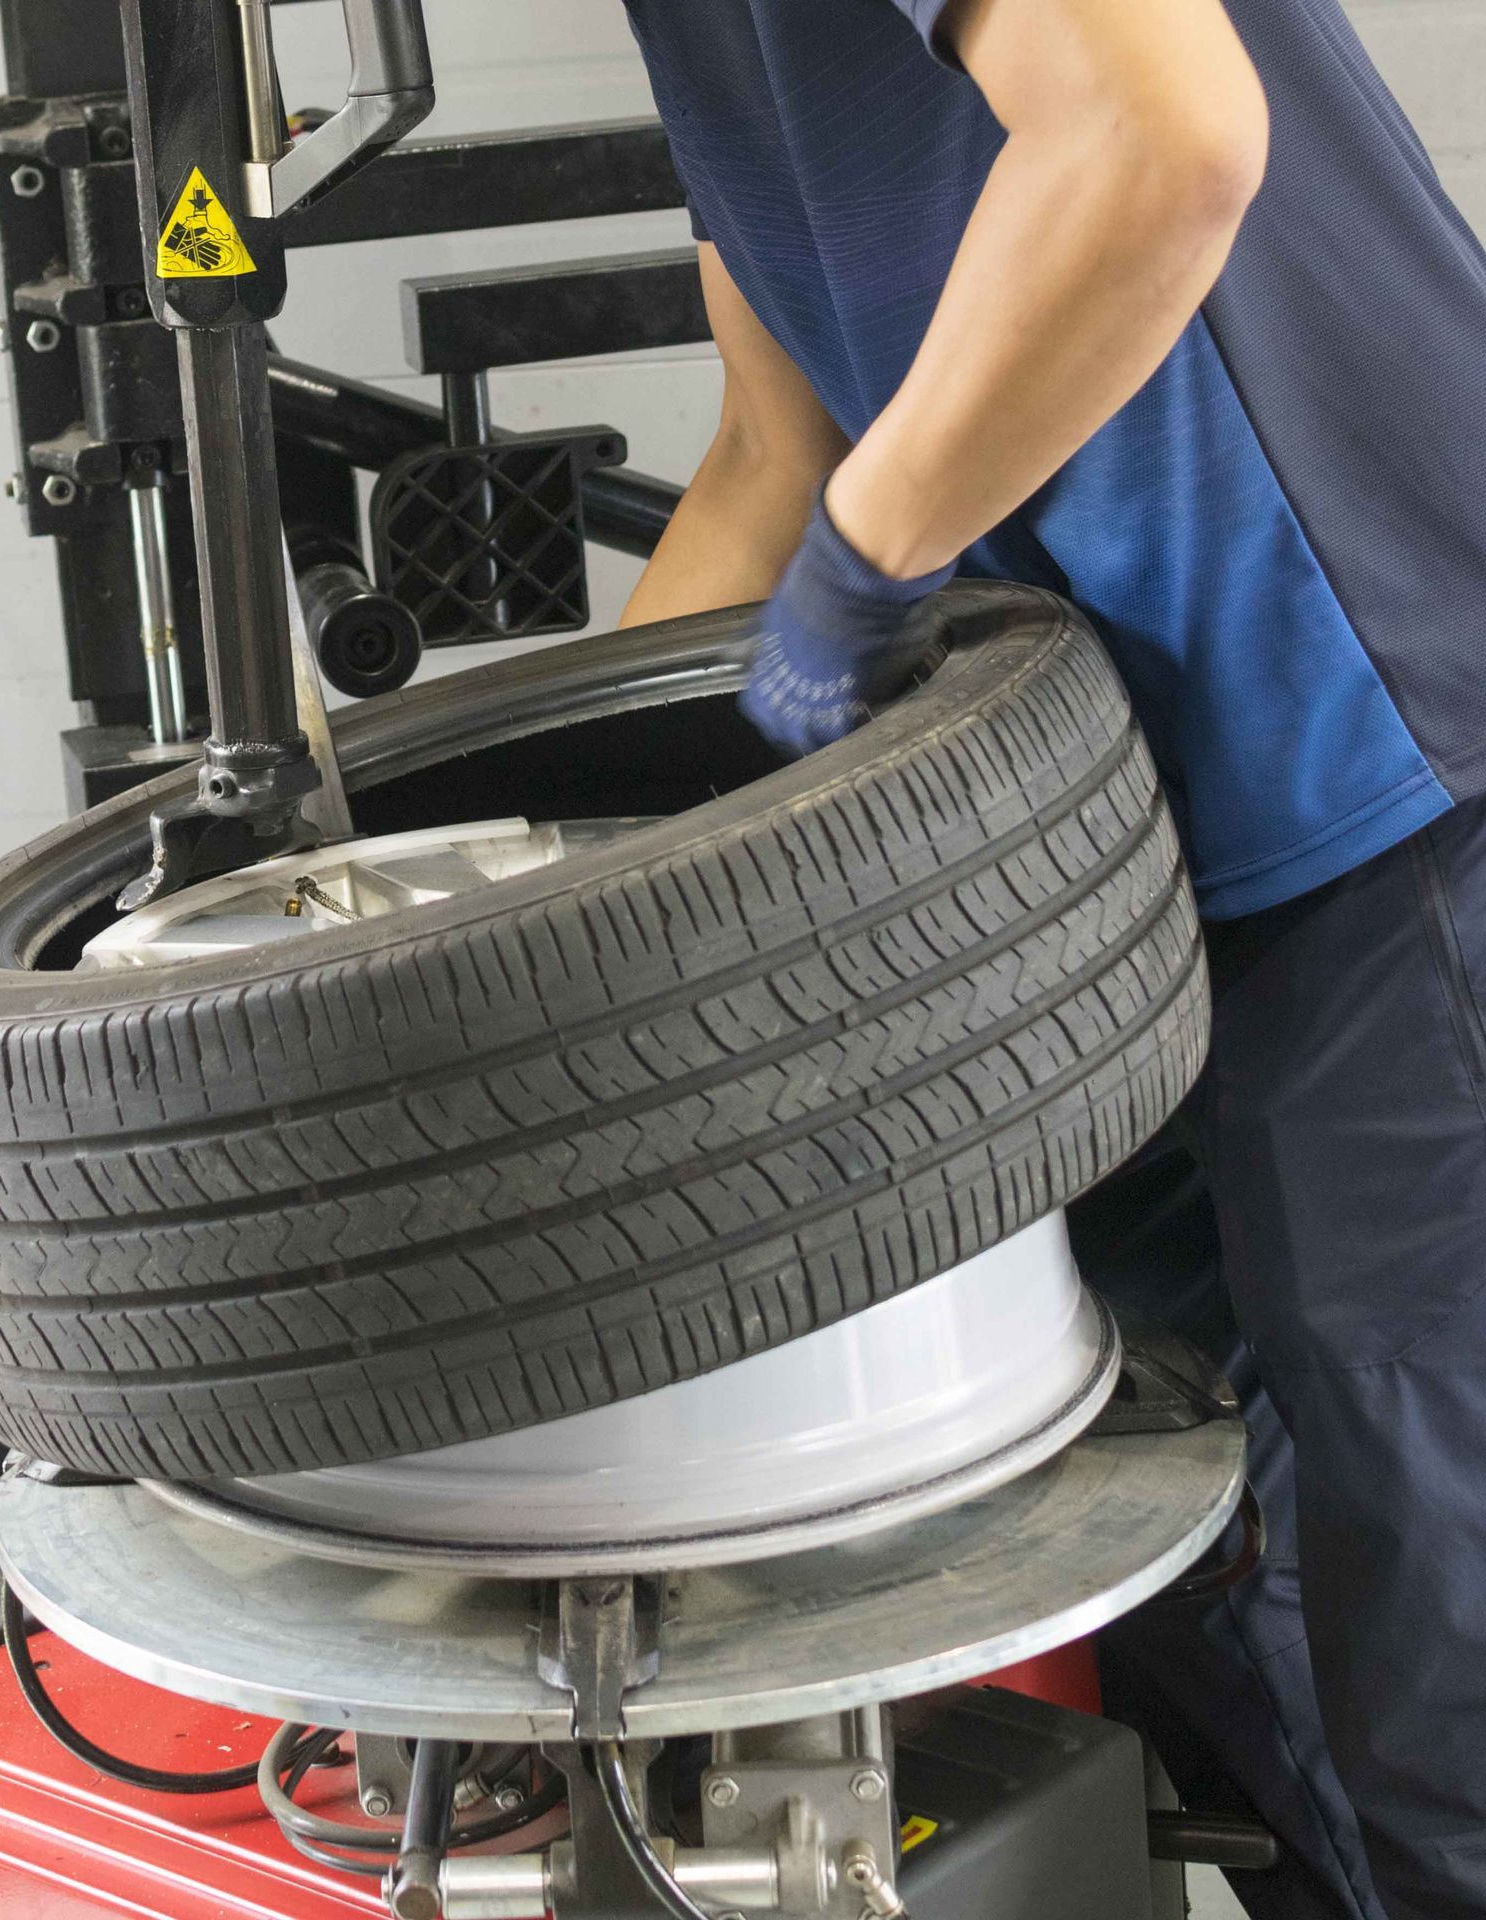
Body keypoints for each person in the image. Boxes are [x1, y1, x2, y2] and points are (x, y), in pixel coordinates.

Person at [613, 0, 1486, 1915]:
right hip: (1123, 880)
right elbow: (778, 447)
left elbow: (1161, 140)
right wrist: (571, 862)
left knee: (1435, 1617)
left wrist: (867, 570)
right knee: (1184, 1559)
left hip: (1398, 763)